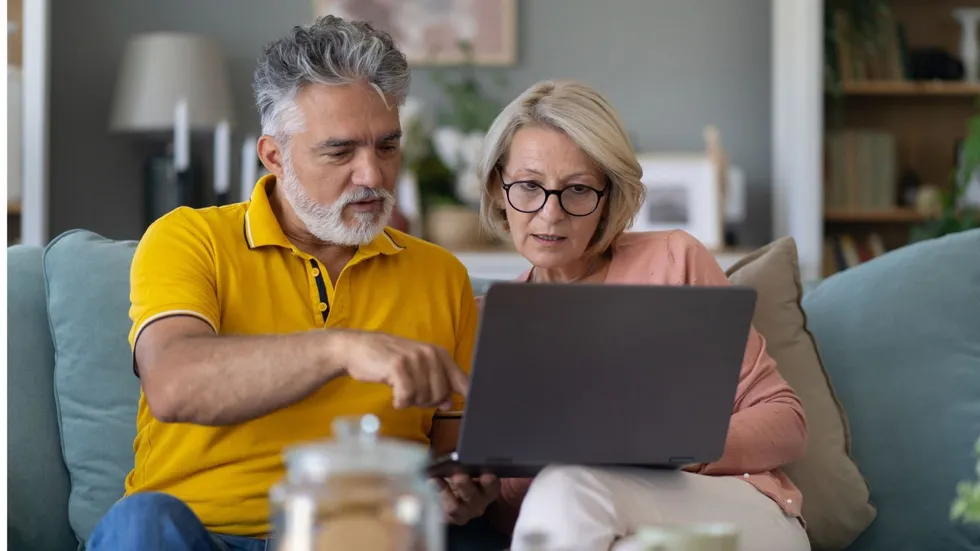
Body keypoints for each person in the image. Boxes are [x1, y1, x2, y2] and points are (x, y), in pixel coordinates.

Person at [87, 16, 501, 551]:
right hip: (202, 536)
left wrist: (460, 495)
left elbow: (450, 457)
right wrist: (341, 348)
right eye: (340, 151)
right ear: (274, 156)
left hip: (358, 536)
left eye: (387, 146)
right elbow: (173, 384)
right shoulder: (190, 238)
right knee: (141, 525)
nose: (372, 175)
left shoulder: (440, 275)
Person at [477, 80, 811, 551]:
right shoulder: (490, 320)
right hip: (596, 524)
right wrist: (484, 491)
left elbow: (787, 422)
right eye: (529, 186)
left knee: (570, 488)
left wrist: (672, 446)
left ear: (609, 196)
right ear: (497, 187)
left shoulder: (674, 261)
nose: (550, 215)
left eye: (576, 190)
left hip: (734, 506)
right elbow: (517, 514)